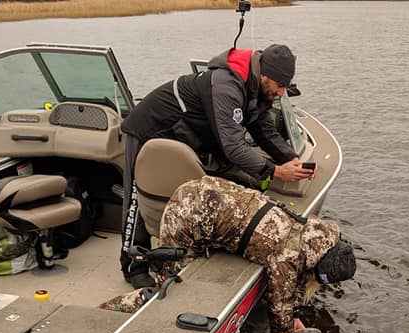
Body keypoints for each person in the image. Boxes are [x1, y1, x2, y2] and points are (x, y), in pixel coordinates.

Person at [119, 43, 315, 288]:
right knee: (139, 196)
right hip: (149, 128)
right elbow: (233, 147)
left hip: (182, 134)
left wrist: (290, 158)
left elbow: (263, 129)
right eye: (279, 86)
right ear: (264, 75)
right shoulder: (227, 85)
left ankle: (168, 254)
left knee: (182, 196)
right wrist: (274, 171)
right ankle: (132, 265)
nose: (281, 92)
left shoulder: (255, 89)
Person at [155, 176, 356, 333]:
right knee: (178, 285)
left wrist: (294, 315)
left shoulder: (313, 233)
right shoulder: (287, 256)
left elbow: (297, 277)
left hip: (207, 191)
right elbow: (279, 307)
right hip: (185, 212)